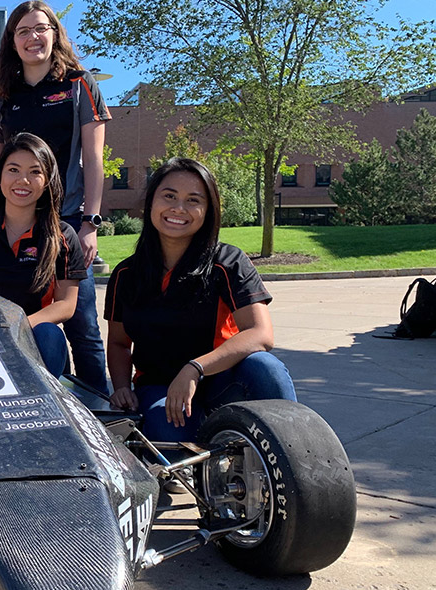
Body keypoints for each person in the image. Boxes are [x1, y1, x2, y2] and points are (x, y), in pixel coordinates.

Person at [0, 0, 111, 394]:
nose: (32, 37)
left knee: (83, 325)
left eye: (41, 28)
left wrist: (90, 224)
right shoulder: (2, 96)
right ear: (12, 41)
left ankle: (101, 407)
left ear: (55, 34)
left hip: (67, 220)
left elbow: (93, 160)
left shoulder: (78, 84)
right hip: (17, 218)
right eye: (23, 31)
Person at [103, 157, 297, 444]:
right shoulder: (126, 273)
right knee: (175, 444)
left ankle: (293, 452)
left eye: (193, 200)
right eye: (169, 196)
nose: (178, 208)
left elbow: (260, 334)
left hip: (221, 379)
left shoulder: (228, 261)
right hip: (161, 387)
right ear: (151, 203)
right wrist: (121, 387)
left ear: (208, 210)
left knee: (265, 367)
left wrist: (195, 368)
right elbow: (119, 342)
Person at [0, 133, 85, 376]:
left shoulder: (62, 235)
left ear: (47, 181)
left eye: (35, 172)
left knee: (50, 335)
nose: (23, 180)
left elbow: (66, 304)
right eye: (13, 169)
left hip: (33, 336)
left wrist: (18, 326)